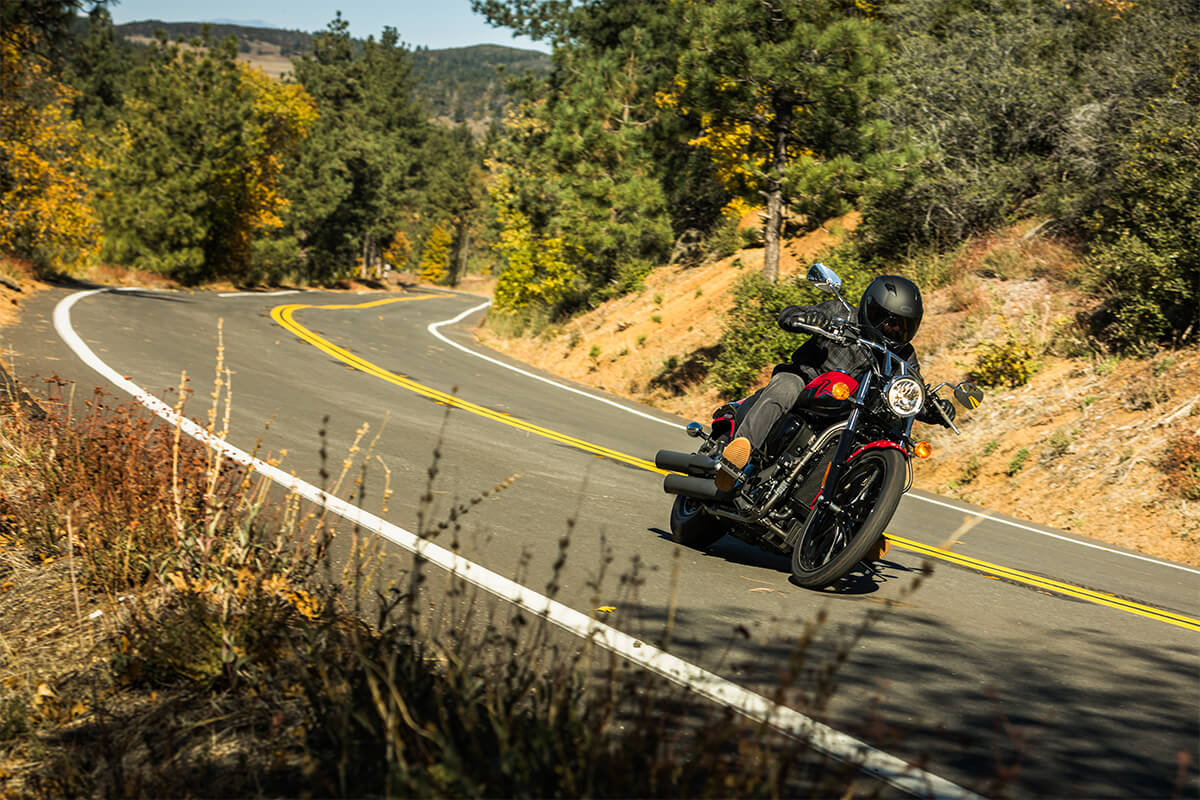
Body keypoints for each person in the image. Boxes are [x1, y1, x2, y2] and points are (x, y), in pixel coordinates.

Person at [717, 274, 954, 494]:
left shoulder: (904, 355)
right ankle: (738, 454)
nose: (896, 330)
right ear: (873, 311)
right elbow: (788, 315)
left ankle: (855, 522)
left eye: (904, 326)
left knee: (874, 437)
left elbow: (912, 387)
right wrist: (805, 318)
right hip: (808, 381)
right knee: (786, 386)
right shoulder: (841, 312)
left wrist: (934, 408)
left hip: (851, 411)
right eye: (891, 322)